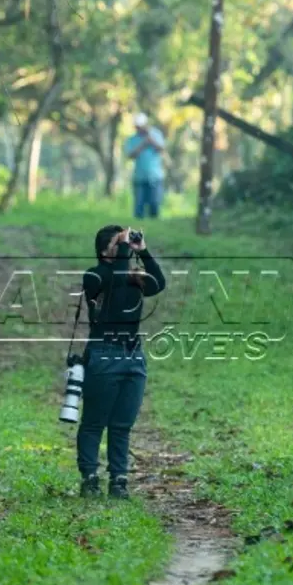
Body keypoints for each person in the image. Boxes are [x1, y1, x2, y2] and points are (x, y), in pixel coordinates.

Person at [77, 225, 166, 499]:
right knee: (94, 421)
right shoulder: (95, 275)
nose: (128, 244)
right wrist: (125, 251)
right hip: (104, 353)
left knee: (121, 424)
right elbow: (112, 279)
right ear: (106, 251)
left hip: (133, 356)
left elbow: (159, 283)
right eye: (121, 242)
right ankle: (90, 478)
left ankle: (119, 480)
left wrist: (143, 250)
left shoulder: (132, 276)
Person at [124, 113, 166, 220]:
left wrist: (151, 141)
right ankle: (137, 229)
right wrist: (143, 144)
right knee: (139, 205)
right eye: (137, 127)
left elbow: (161, 149)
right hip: (139, 176)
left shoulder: (156, 134)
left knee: (154, 204)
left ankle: (155, 227)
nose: (139, 129)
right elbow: (130, 155)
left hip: (155, 175)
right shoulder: (132, 139)